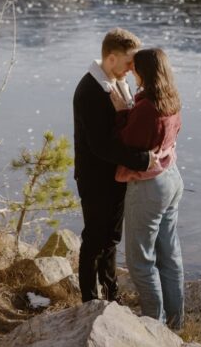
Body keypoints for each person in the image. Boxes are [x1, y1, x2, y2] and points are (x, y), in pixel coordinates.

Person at [73, 27, 155, 303]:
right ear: (111, 59)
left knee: (111, 239)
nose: (132, 68)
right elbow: (100, 145)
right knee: (95, 239)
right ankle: (88, 300)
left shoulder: (119, 83)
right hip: (95, 178)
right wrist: (142, 160)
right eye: (129, 61)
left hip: (116, 175)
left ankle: (111, 294)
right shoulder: (90, 91)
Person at [113, 47, 184, 329]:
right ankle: (175, 326)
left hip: (149, 187)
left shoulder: (146, 108)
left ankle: (154, 327)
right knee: (169, 255)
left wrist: (120, 113)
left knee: (140, 260)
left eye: (135, 68)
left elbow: (125, 145)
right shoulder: (171, 100)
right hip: (172, 177)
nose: (131, 72)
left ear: (145, 72)